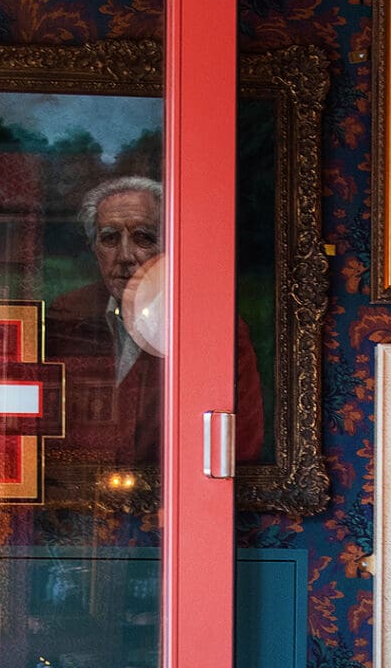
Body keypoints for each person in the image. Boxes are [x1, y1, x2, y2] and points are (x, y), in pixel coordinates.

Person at [44, 175, 263, 472]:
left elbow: (241, 444)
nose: (124, 256)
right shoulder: (67, 315)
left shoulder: (212, 325)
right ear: (94, 247)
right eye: (109, 238)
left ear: (170, 244)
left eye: (143, 238)